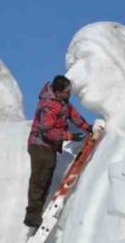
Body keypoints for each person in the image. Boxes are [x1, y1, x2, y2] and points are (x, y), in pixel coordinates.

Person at [25, 74, 92, 227]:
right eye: (67, 92)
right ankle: (32, 215)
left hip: (50, 146)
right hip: (39, 144)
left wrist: (87, 127)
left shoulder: (63, 102)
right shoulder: (48, 106)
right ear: (58, 92)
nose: (69, 94)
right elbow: (47, 131)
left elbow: (74, 115)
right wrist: (70, 136)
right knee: (39, 179)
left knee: (47, 177)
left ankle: (37, 211)